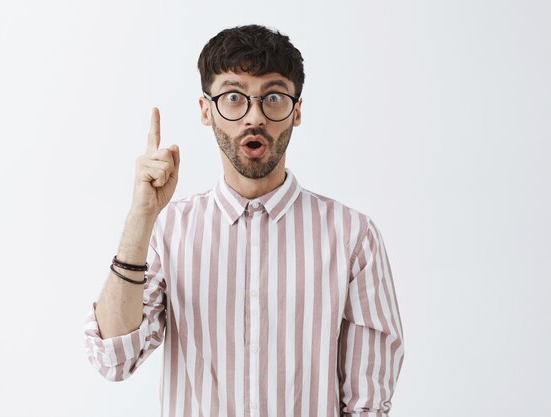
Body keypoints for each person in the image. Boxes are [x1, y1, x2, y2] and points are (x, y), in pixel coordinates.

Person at [85, 24, 404, 417]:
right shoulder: (170, 231)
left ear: (296, 111)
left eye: (273, 97)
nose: (254, 117)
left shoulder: (353, 237)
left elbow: (368, 405)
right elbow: (113, 358)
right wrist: (141, 217)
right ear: (207, 111)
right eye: (234, 97)